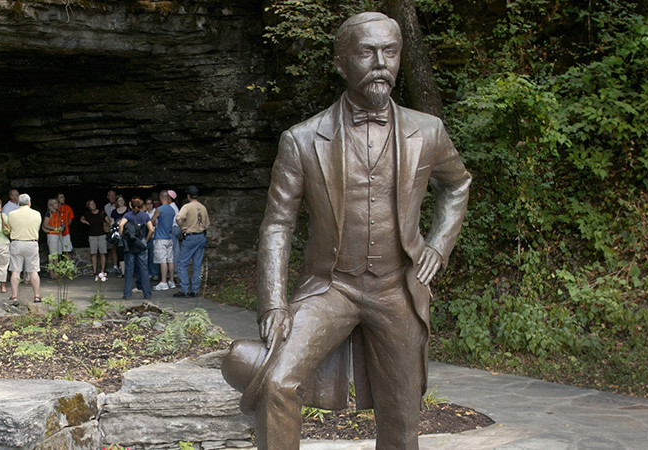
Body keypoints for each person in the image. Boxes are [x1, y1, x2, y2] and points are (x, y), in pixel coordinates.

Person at [222, 13, 472, 450]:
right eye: (366, 52)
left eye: (390, 52)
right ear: (341, 62)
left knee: (402, 410)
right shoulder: (301, 140)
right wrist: (274, 303)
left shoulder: (427, 131)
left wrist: (438, 244)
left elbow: (457, 184)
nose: (381, 63)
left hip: (397, 286)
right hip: (330, 287)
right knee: (276, 382)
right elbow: (278, 224)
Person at [174, 186, 208, 298]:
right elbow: (207, 224)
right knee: (197, 265)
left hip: (191, 236)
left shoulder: (187, 207)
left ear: (188, 195)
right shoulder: (203, 207)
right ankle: (195, 290)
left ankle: (184, 289)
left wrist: (182, 227)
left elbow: (178, 218)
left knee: (182, 264)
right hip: (201, 236)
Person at [7, 193, 42, 302]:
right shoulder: (37, 214)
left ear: (18, 203)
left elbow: (9, 228)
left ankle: (14, 296)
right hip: (31, 243)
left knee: (15, 270)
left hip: (17, 243)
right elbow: (37, 228)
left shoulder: (12, 214)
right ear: (29, 202)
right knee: (33, 271)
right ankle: (36, 296)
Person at [118, 198, 154, 300]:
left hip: (130, 244)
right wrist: (145, 240)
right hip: (141, 242)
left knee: (129, 269)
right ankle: (147, 294)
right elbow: (151, 230)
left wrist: (123, 237)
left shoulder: (128, 215)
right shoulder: (145, 216)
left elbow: (121, 225)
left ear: (130, 205)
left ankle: (127, 294)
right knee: (144, 269)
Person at [152, 190, 178, 291]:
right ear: (167, 198)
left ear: (160, 197)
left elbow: (152, 220)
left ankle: (163, 282)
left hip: (160, 237)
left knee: (162, 260)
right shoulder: (172, 210)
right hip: (169, 237)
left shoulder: (159, 209)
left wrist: (154, 223)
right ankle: (171, 280)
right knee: (170, 259)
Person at [79, 199, 108, 279]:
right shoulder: (87, 214)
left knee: (102, 253)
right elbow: (81, 219)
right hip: (92, 235)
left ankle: (102, 270)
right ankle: (94, 271)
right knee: (94, 253)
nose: (93, 205)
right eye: (91, 204)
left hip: (102, 234)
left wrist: (107, 224)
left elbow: (107, 220)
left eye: (93, 203)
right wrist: (87, 223)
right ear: (88, 206)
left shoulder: (101, 212)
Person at [108, 195, 129, 277]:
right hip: (118, 235)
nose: (121, 202)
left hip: (127, 233)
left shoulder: (128, 210)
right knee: (120, 252)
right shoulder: (114, 212)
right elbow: (112, 222)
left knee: (128, 252)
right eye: (119, 201)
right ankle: (123, 272)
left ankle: (129, 271)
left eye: (122, 200)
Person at [55, 193, 75, 262]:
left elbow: (70, 220)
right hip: (56, 233)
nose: (63, 199)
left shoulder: (68, 208)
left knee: (68, 250)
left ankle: (69, 270)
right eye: (60, 197)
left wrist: (65, 227)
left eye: (63, 197)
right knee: (57, 252)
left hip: (66, 232)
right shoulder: (55, 208)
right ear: (57, 199)